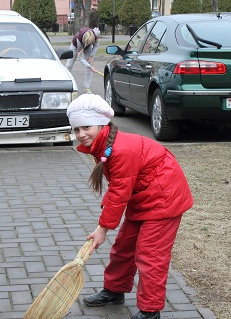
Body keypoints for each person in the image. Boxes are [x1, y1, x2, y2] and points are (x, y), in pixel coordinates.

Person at [66, 94, 193, 319]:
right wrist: (104, 223)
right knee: (124, 247)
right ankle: (115, 290)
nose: (81, 134)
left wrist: (102, 228)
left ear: (101, 124)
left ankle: (150, 310)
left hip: (164, 200)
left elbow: (119, 193)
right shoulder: (104, 146)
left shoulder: (120, 150)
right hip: (143, 197)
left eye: (86, 127)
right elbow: (118, 187)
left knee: (150, 254)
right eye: (76, 130)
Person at [66, 26, 100, 94]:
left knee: (90, 64)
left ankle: (87, 88)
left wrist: (91, 56)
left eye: (91, 43)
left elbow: (96, 45)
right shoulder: (79, 40)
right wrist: (90, 67)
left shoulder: (95, 34)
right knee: (68, 66)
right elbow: (80, 58)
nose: (91, 44)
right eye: (89, 43)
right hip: (75, 46)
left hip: (87, 45)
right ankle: (66, 85)